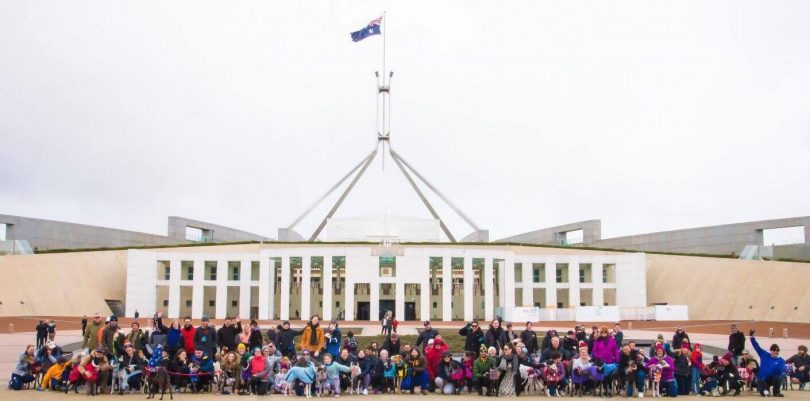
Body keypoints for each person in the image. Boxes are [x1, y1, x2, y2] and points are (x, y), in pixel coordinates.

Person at [749, 330, 785, 397]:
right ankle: (766, 391)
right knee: (764, 393)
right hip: (763, 379)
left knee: (778, 378)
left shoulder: (781, 360)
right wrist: (751, 337)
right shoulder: (764, 355)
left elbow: (781, 371)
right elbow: (757, 347)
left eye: (777, 351)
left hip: (773, 379)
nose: (776, 352)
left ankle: (776, 392)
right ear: (771, 350)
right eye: (774, 350)